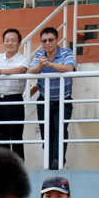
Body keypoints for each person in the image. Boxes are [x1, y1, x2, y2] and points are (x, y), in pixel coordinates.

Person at [27, 27, 75, 170]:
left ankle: (57, 162)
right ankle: (49, 163)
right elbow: (30, 70)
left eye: (50, 40)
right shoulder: (39, 54)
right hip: (44, 100)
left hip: (63, 101)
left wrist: (50, 64)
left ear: (57, 40)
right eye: (44, 41)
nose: (47, 43)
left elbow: (70, 68)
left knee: (60, 131)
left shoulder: (66, 52)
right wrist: (40, 65)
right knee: (46, 134)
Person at [0, 28, 28, 160]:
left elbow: (20, 70)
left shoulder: (23, 59)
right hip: (0, 100)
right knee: (1, 137)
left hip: (15, 100)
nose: (10, 43)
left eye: (13, 40)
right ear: (3, 42)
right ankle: (3, 168)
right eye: (7, 40)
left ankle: (18, 167)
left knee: (16, 137)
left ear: (19, 43)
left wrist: (2, 71)